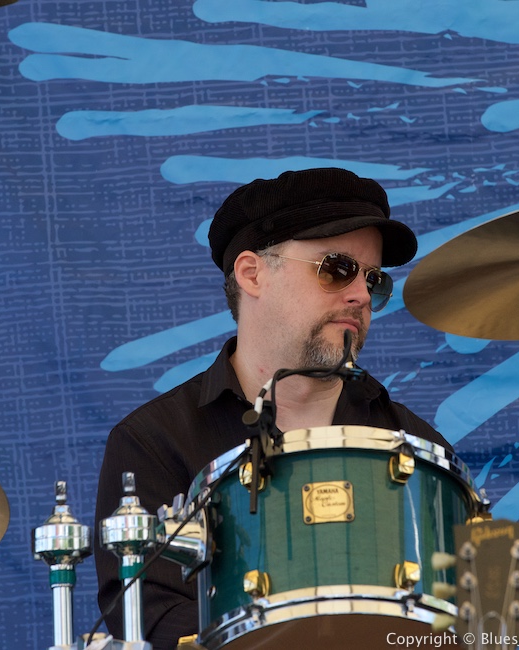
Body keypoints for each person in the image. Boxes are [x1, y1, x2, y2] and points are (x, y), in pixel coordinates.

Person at [94, 167, 453, 649]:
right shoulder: (154, 443)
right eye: (338, 268)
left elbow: (459, 617)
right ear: (252, 273)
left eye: (374, 279)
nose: (362, 294)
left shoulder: (417, 446)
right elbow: (150, 616)